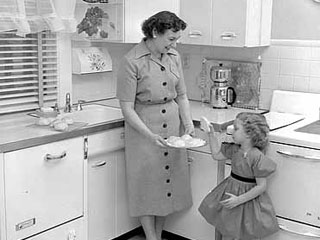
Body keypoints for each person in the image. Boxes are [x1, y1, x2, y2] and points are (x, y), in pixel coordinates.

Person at [116, 11, 195, 240]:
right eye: (171, 38)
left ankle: (158, 236)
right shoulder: (131, 61)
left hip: (172, 126)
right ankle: (151, 238)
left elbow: (182, 96)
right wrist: (150, 136)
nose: (175, 43)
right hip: (143, 129)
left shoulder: (174, 57)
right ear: (154, 33)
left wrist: (187, 124)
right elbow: (127, 108)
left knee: (166, 185)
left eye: (177, 39)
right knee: (146, 186)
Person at [198, 113, 279, 240]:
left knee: (246, 231)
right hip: (230, 191)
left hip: (247, 200)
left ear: (249, 134)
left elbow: (261, 186)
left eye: (236, 129)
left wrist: (239, 200)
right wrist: (211, 134)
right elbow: (217, 155)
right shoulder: (235, 150)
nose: (233, 132)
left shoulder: (256, 157)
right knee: (228, 227)